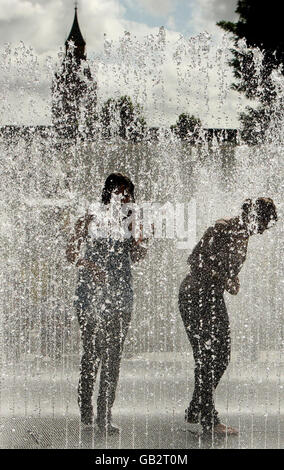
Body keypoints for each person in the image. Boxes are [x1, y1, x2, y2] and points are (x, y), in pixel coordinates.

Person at [178, 197, 278, 436]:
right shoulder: (223, 227)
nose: (264, 230)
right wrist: (224, 279)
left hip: (212, 298)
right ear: (254, 215)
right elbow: (195, 260)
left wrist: (232, 280)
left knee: (221, 356)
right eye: (264, 222)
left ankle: (196, 408)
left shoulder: (244, 237)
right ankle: (209, 421)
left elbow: (224, 270)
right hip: (195, 295)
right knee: (207, 356)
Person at [66, 173, 148, 435]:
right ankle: (87, 411)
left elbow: (137, 256)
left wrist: (139, 236)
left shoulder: (131, 219)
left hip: (122, 294)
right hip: (90, 293)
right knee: (92, 353)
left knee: (113, 357)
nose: (126, 198)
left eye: (129, 194)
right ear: (110, 191)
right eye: (122, 193)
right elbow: (71, 254)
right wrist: (91, 266)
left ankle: (105, 414)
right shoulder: (90, 215)